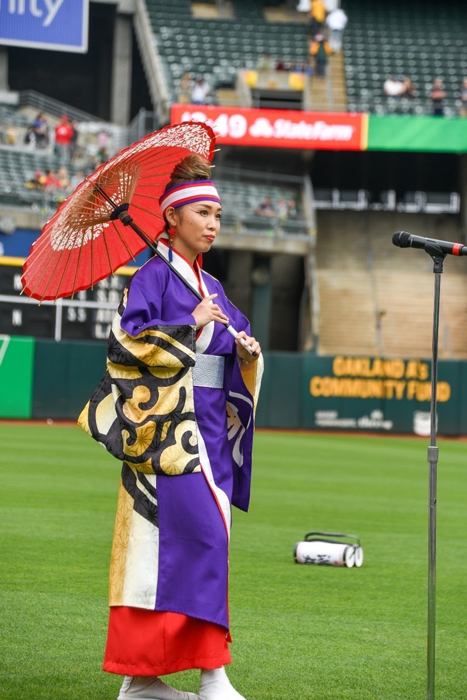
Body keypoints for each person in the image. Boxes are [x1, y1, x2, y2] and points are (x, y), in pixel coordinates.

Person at [78, 153, 263, 700]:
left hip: (206, 430)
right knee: (198, 542)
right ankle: (211, 676)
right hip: (166, 437)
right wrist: (190, 324)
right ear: (172, 217)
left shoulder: (210, 284)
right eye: (203, 212)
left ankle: (143, 679)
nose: (213, 223)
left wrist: (243, 348)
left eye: (219, 215)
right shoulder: (151, 278)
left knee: (180, 549)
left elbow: (235, 336)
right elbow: (124, 347)